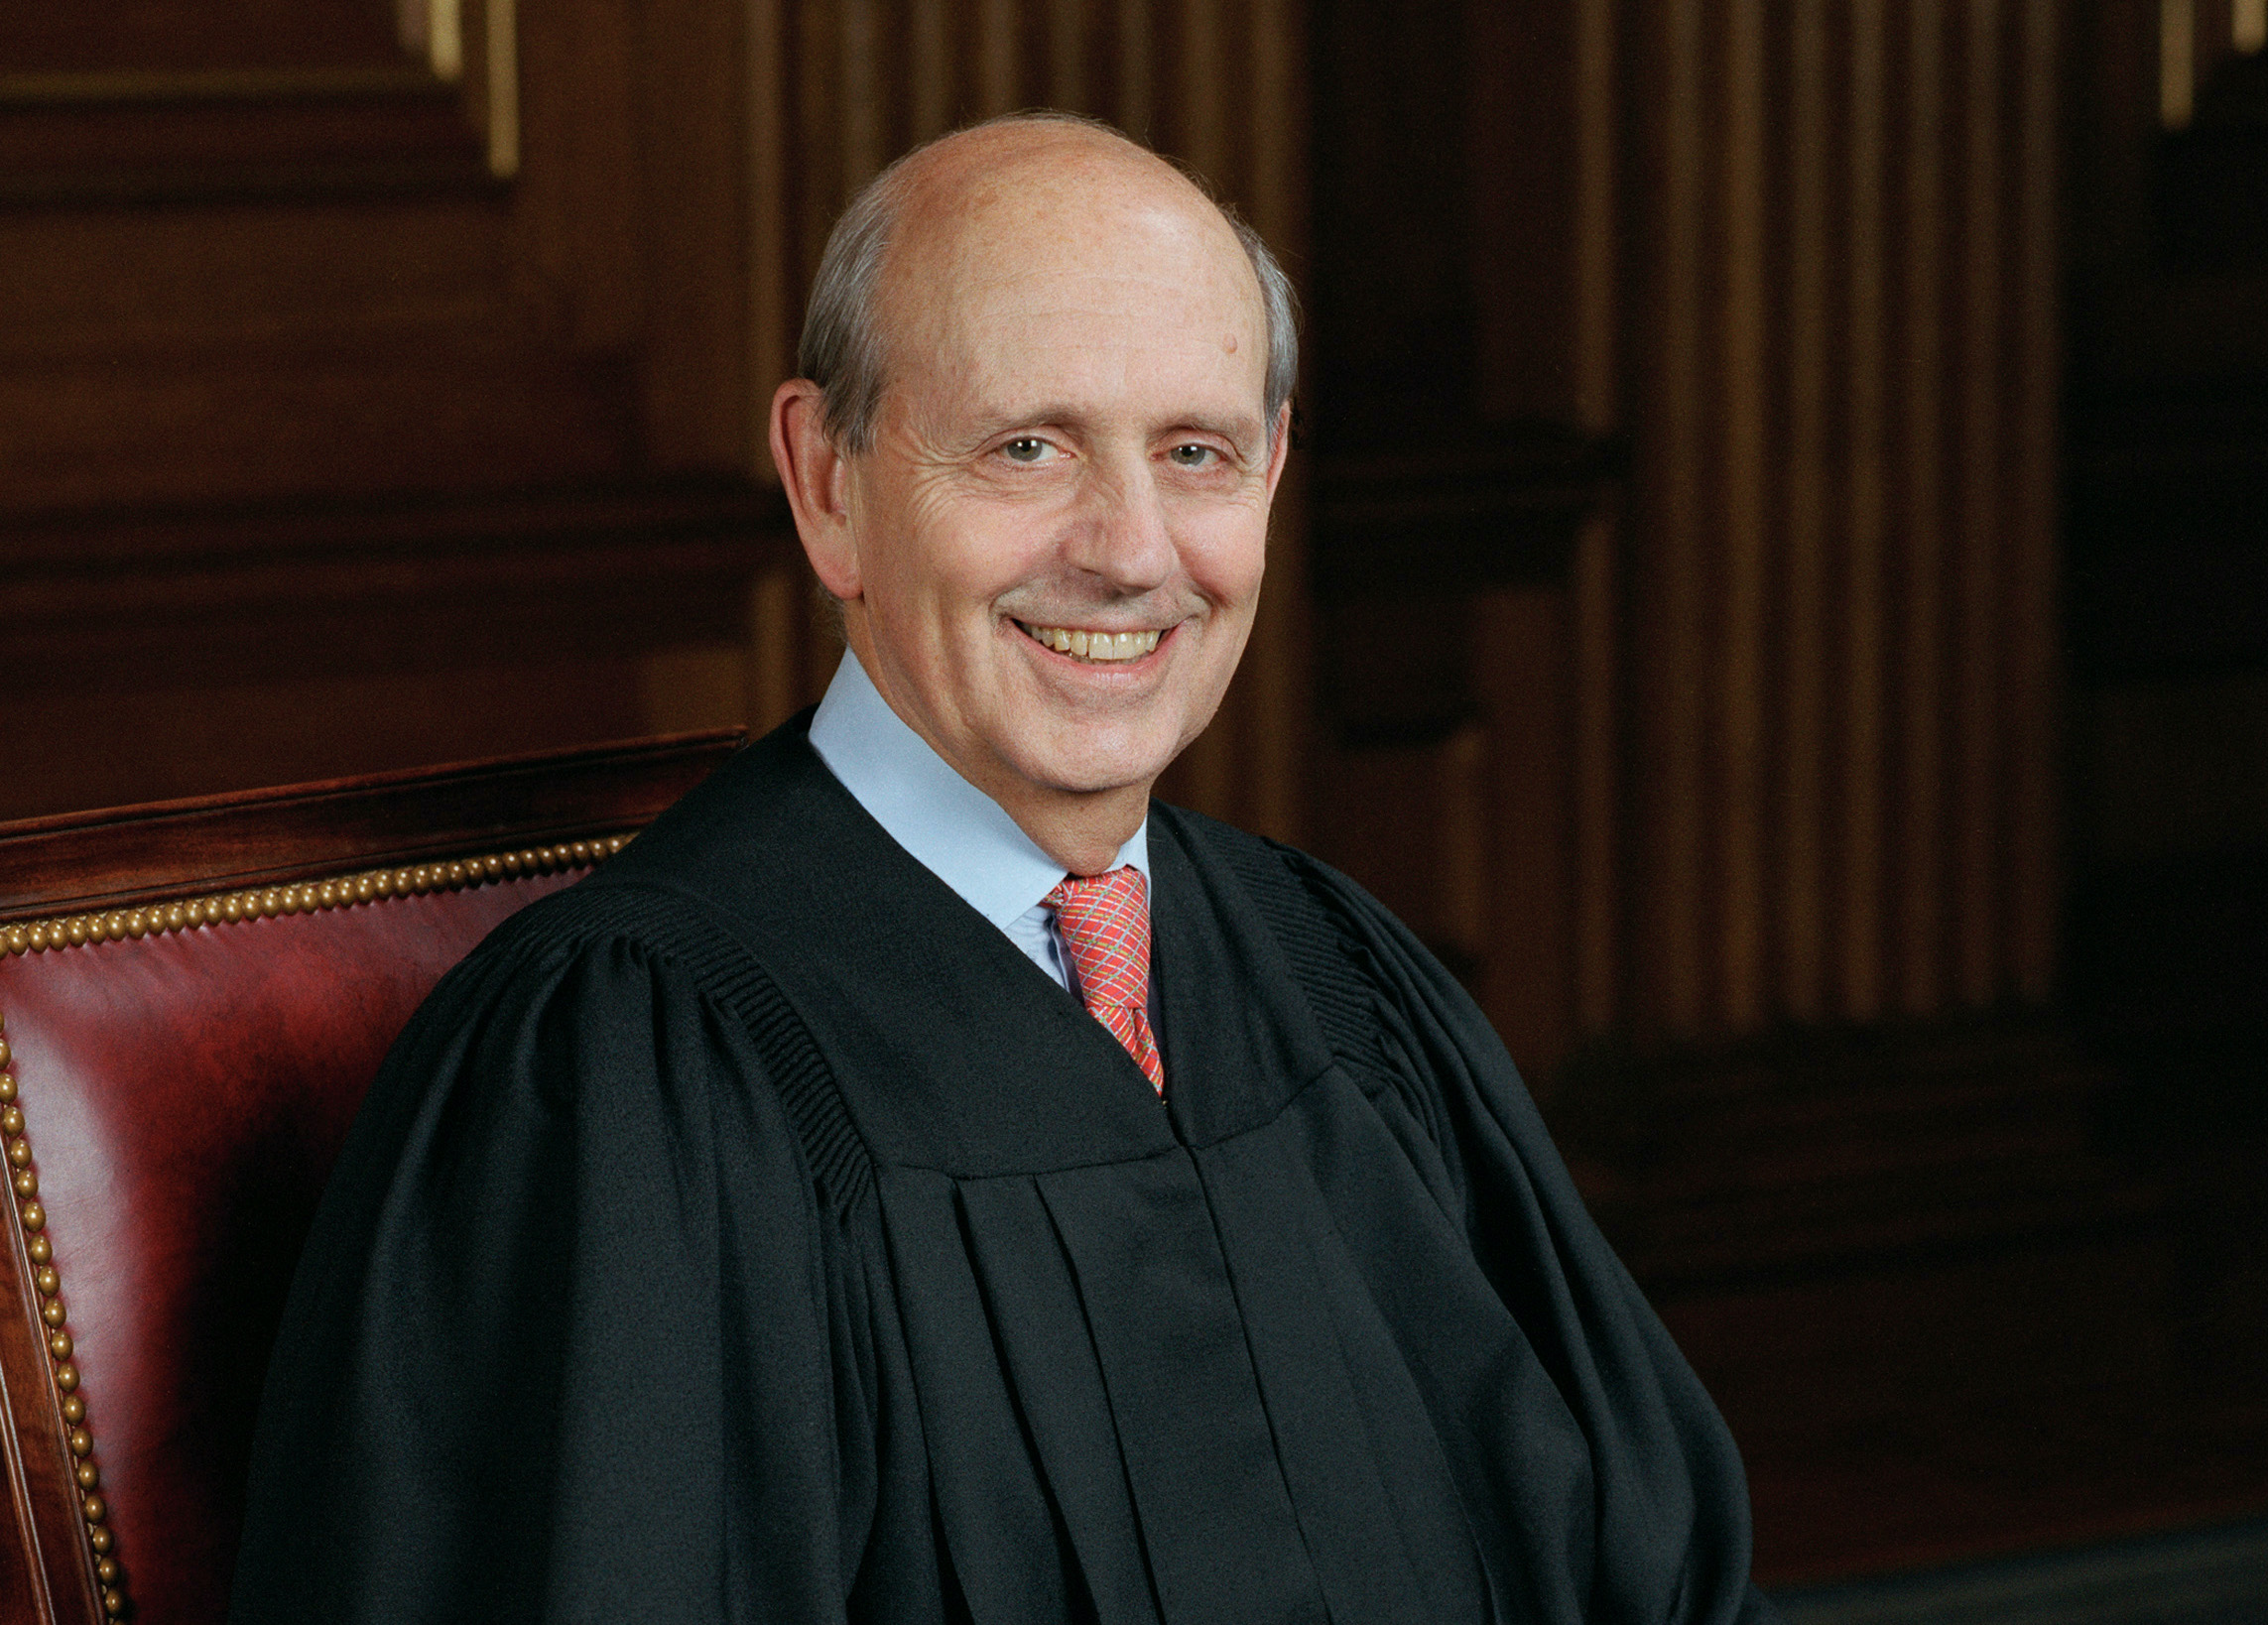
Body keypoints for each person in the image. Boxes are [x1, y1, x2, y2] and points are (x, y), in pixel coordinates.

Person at [231, 112, 1780, 1624]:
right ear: (828, 480)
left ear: (1274, 472)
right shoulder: (635, 1079)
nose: (1128, 547)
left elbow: (1660, 1572)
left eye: (1196, 452)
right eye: (1027, 446)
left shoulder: (1341, 984)